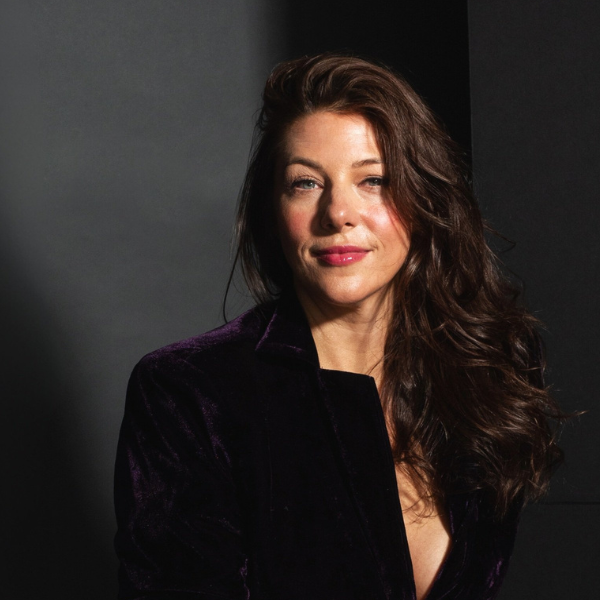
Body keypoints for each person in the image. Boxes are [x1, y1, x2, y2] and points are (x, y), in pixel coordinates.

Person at [114, 53, 564, 600]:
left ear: (425, 199)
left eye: (373, 180)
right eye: (305, 183)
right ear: (273, 209)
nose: (338, 213)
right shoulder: (191, 393)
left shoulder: (488, 368)